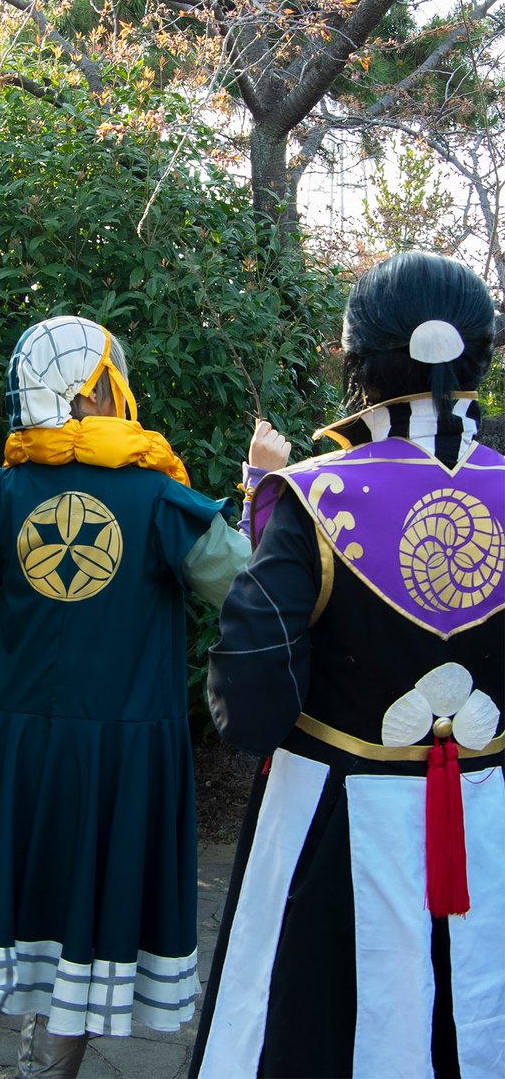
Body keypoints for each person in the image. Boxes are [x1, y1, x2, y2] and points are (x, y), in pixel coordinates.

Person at [0, 314, 289, 1079]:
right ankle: (46, 1066)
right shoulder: (161, 503)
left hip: (10, 739)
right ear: (96, 390)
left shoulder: (4, 495)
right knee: (87, 919)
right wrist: (262, 485)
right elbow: (254, 590)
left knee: (6, 874)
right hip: (122, 749)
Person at [190, 252, 504, 1079]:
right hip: (495, 821)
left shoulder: (310, 496)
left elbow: (250, 704)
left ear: (357, 358)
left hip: (331, 830)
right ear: (481, 355)